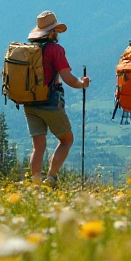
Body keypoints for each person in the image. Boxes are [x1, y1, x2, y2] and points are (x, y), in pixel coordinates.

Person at [22, 11, 90, 185]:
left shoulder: (28, 50)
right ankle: (51, 177)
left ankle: (36, 183)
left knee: (38, 146)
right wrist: (81, 83)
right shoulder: (55, 50)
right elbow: (68, 78)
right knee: (67, 140)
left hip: (29, 102)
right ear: (52, 32)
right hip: (50, 102)